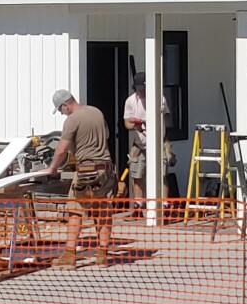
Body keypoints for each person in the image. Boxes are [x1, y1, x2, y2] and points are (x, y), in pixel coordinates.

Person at [45, 89, 115, 268]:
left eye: (61, 110)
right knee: (103, 211)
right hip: (105, 169)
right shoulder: (96, 112)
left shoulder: (72, 120)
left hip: (86, 171)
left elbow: (61, 149)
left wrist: (52, 168)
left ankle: (69, 256)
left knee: (75, 211)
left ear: (65, 104)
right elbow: (105, 137)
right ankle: (102, 255)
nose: (62, 113)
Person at [123, 72, 170, 219]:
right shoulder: (131, 101)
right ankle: (138, 208)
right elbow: (126, 123)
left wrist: (155, 122)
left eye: (142, 89)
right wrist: (135, 125)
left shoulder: (159, 98)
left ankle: (163, 207)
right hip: (139, 143)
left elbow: (167, 117)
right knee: (137, 175)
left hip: (158, 141)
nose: (140, 92)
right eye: (137, 89)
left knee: (162, 174)